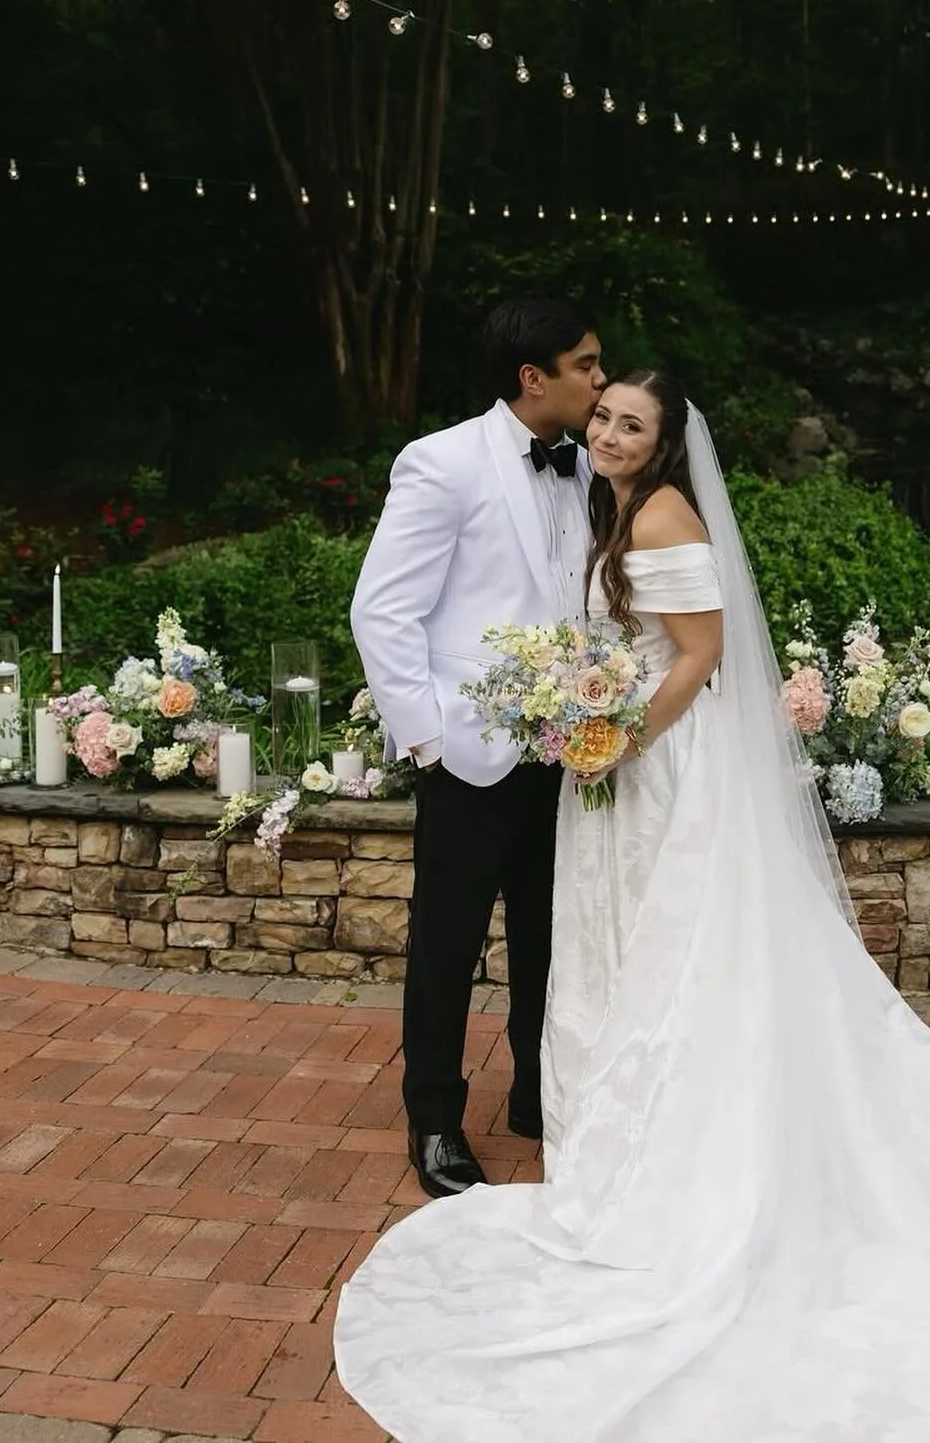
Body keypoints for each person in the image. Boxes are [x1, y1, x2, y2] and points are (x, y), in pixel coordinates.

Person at [336, 370, 930, 1441]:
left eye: (630, 422)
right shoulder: (599, 499)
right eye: (603, 412)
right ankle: (619, 1124)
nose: (608, 431)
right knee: (629, 946)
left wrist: (615, 737)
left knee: (684, 946)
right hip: (608, 767)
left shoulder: (658, 512)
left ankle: (695, 1146)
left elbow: (700, 655)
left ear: (666, 444)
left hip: (663, 768)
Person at [349, 298, 604, 1199]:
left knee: (549, 935)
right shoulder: (443, 462)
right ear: (534, 378)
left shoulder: (584, 468)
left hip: (567, 751)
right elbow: (382, 610)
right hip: (467, 750)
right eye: (585, 365)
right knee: (447, 942)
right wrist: (428, 739)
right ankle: (435, 1120)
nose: (599, 380)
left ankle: (535, 1095)